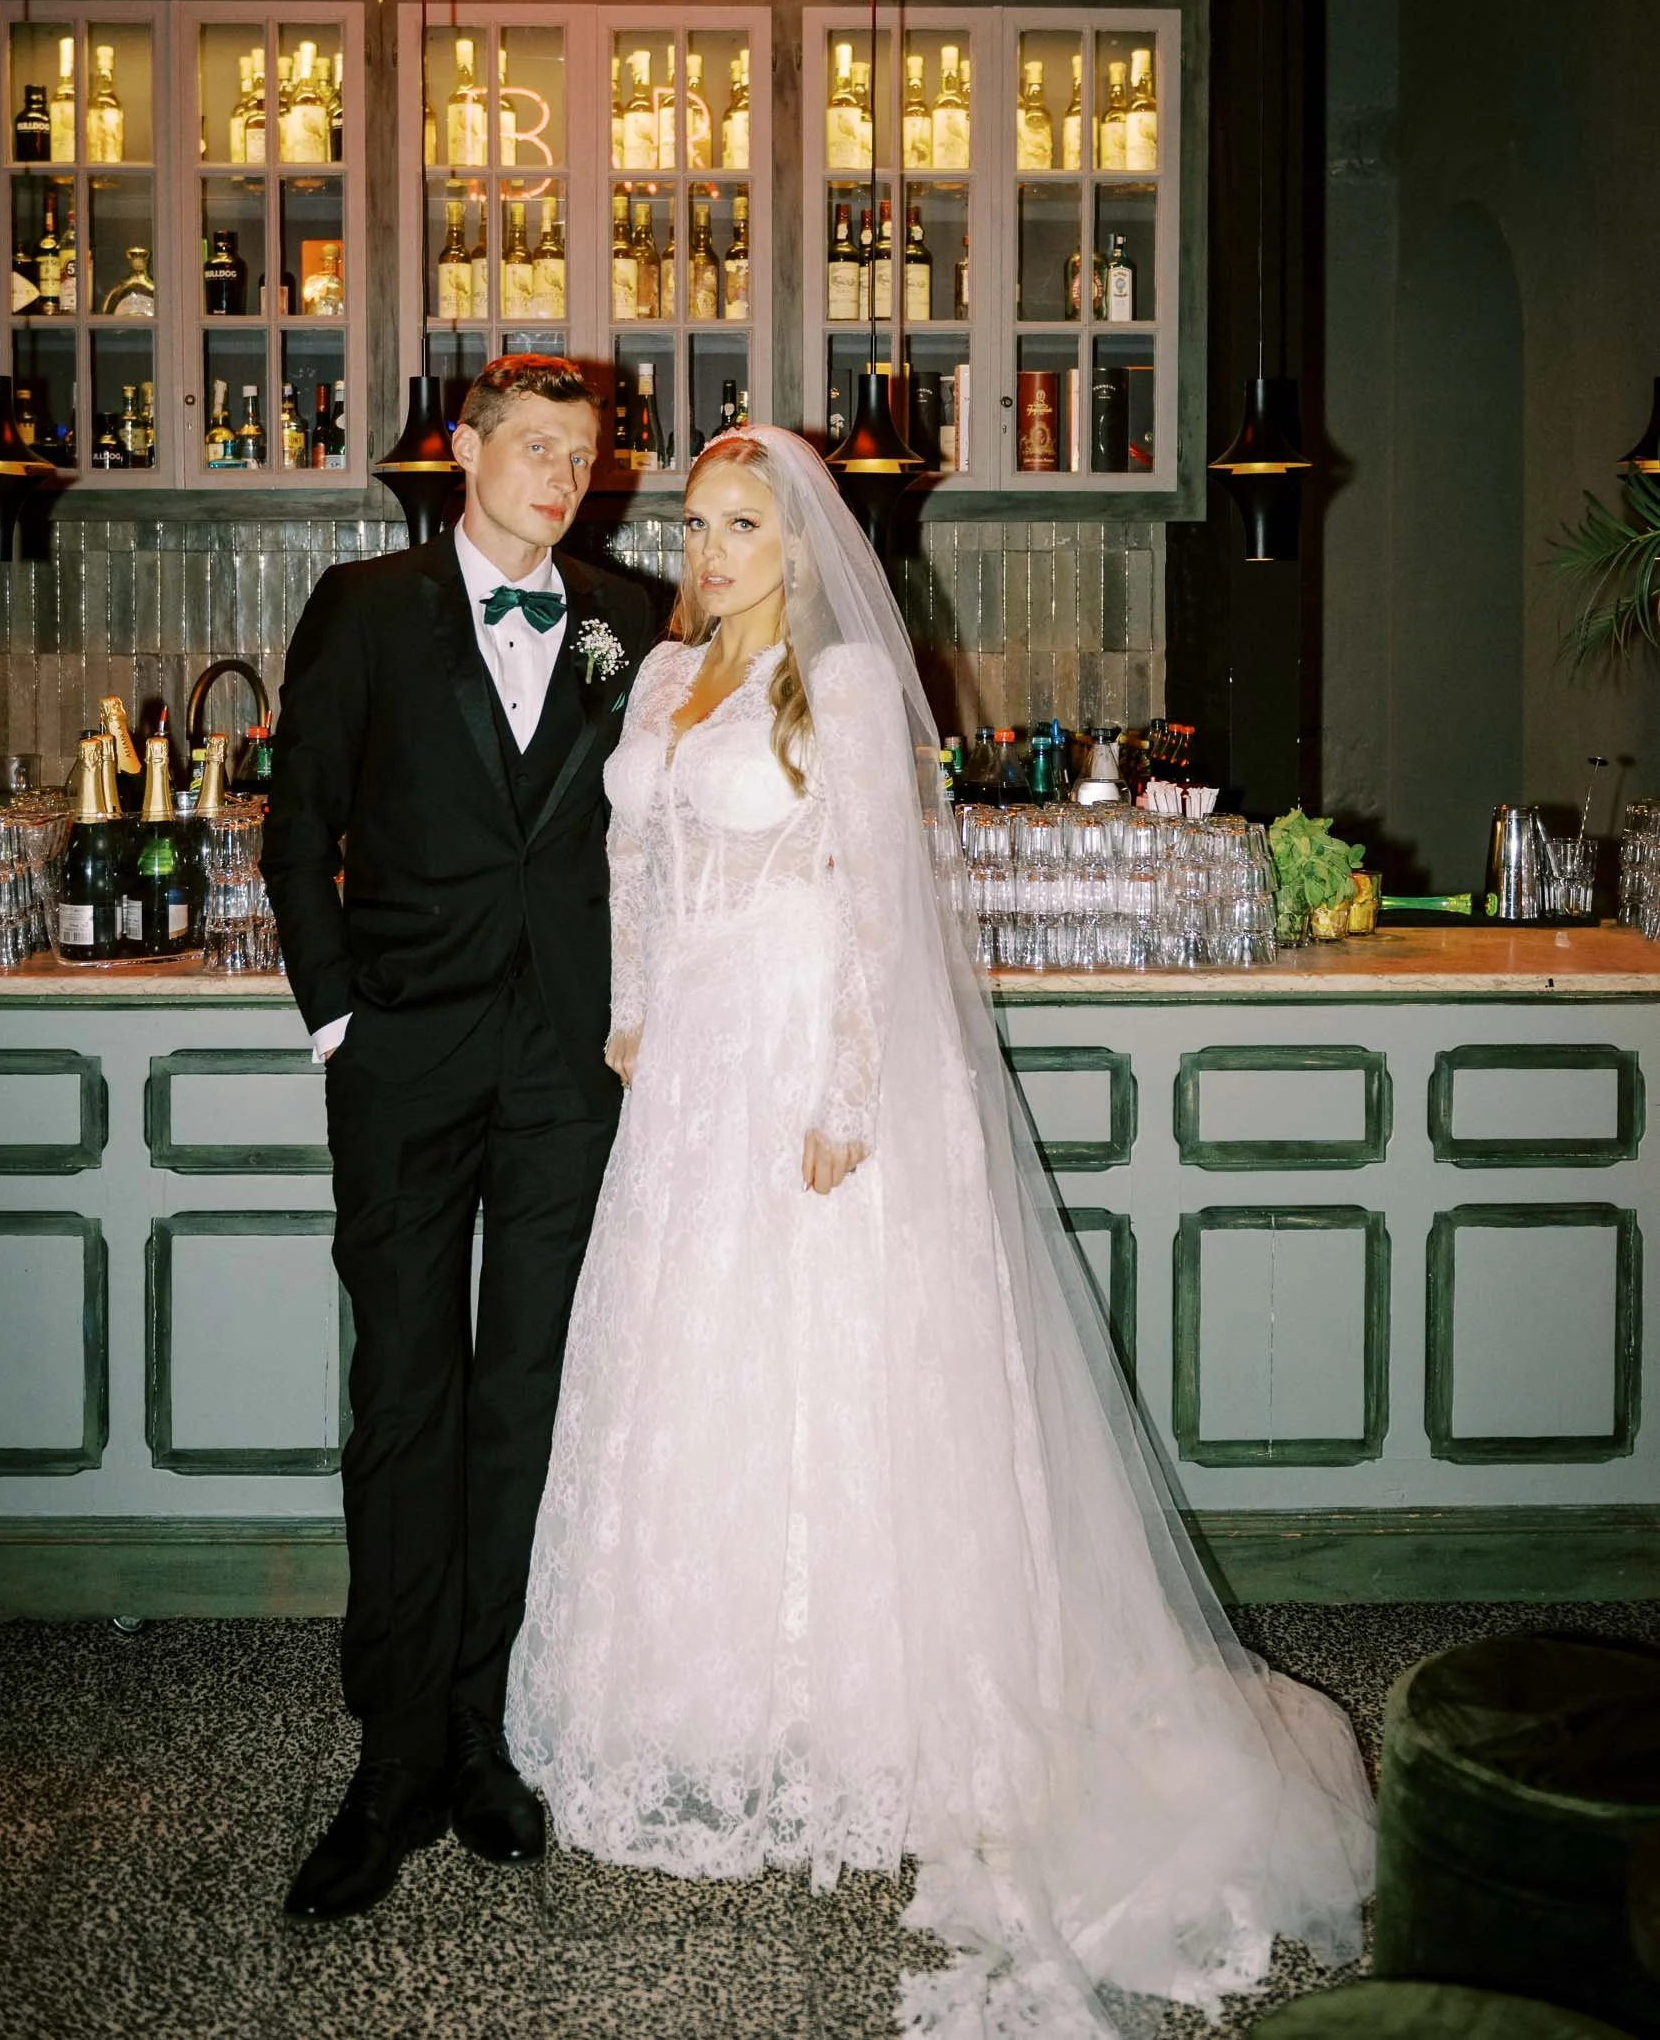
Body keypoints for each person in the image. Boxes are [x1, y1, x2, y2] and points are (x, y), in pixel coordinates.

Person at [505, 427, 1375, 2036]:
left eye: (742, 526)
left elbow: (869, 905)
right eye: (696, 525)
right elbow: (630, 858)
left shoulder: (829, 691)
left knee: (819, 1360)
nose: (710, 551)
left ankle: (856, 1713)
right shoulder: (659, 681)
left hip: (796, 1057)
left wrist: (847, 1091)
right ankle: (702, 1703)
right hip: (685, 1067)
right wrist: (629, 1017)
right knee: (684, 1368)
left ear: (801, 542)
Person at [262, 357, 654, 1920]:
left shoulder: (634, 615)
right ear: (467, 452)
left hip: (568, 1063)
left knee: (526, 1406)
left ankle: (486, 1736)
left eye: (586, 454)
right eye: (538, 448)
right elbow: (296, 829)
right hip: (406, 1060)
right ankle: (392, 1753)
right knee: (404, 1402)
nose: (565, 475)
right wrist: (341, 1021)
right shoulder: (365, 607)